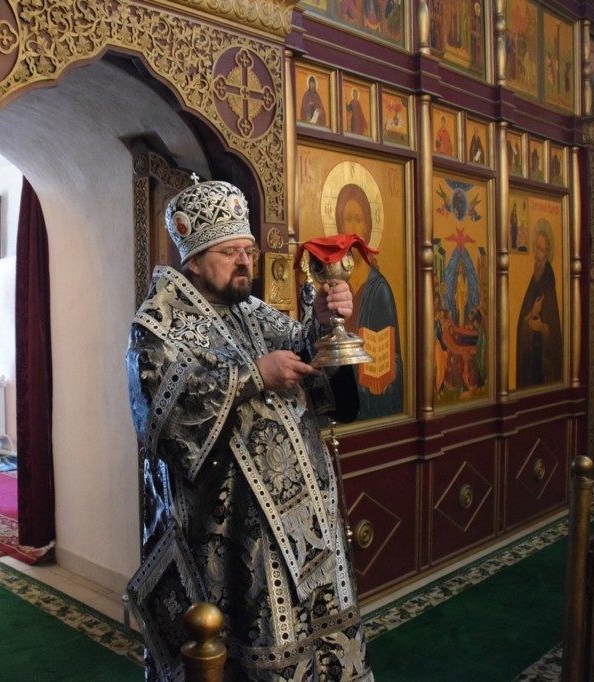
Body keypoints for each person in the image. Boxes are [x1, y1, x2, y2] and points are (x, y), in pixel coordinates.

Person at [126, 179, 373, 680]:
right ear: (195, 260)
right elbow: (163, 423)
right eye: (229, 252)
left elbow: (306, 360)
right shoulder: (157, 326)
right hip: (231, 538)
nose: (244, 262)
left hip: (305, 528)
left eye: (249, 251)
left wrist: (325, 325)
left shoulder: (253, 312)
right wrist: (254, 375)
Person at [334, 183, 403, 419]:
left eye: (359, 219)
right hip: (342, 396)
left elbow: (391, 356)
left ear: (368, 226)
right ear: (339, 225)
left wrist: (384, 368)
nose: (353, 227)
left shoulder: (379, 289)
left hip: (372, 400)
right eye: (347, 219)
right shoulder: (333, 283)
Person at [515, 220, 562, 389]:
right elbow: (526, 316)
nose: (537, 253)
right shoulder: (535, 277)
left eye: (542, 249)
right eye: (536, 247)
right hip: (532, 355)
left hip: (541, 361)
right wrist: (530, 317)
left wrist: (541, 327)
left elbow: (554, 331)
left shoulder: (548, 280)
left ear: (548, 252)